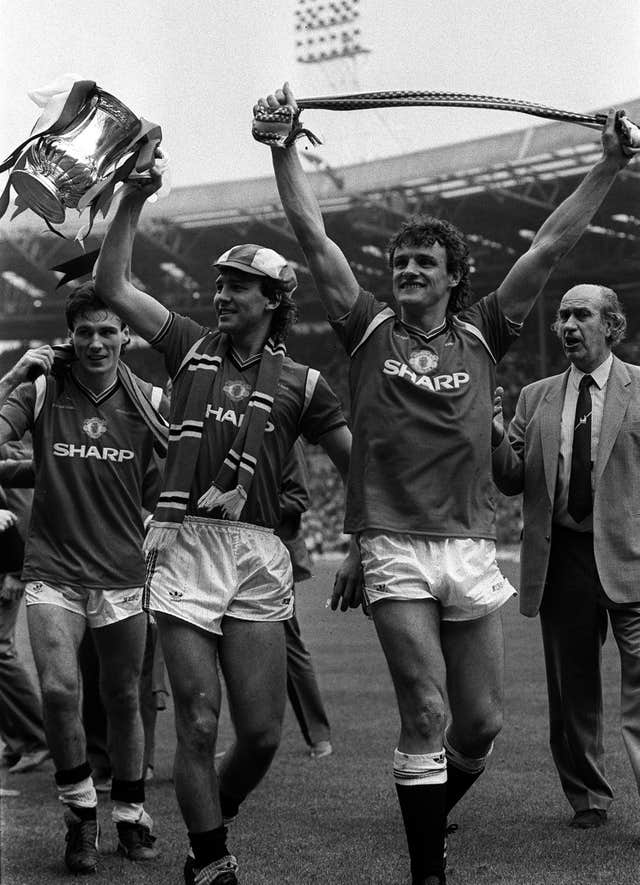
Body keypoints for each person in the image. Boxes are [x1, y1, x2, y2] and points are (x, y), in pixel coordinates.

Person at [254, 82, 634, 884]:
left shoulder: (486, 331)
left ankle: (430, 807)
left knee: (483, 723)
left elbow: (549, 247)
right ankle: (429, 869)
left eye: (424, 262)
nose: (407, 271)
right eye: (399, 262)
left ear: (455, 274)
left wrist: (609, 166)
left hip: (468, 546)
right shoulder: (366, 327)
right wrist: (282, 146)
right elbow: (312, 236)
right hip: (394, 546)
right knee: (424, 711)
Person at [93, 170, 359, 885]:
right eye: (219, 283)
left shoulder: (304, 383)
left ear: (273, 300)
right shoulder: (185, 344)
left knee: (264, 732)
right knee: (199, 718)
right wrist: (135, 195)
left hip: (259, 552)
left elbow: (356, 466)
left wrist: (366, 535)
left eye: (238, 285)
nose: (221, 294)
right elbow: (113, 284)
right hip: (182, 542)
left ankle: (216, 806)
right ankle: (210, 857)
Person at [0, 284, 169, 875]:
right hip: (53, 570)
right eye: (83, 332)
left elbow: (170, 478)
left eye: (107, 330)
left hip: (121, 571)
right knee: (59, 691)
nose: (96, 342)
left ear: (126, 334)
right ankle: (79, 814)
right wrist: (16, 371)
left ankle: (130, 812)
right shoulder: (44, 389)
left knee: (123, 696)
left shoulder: (150, 399)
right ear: (70, 337)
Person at [492, 284, 640, 830]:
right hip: (563, 559)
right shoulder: (534, 397)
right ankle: (588, 799)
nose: (568, 326)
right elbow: (509, 479)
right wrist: (490, 429)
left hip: (632, 559)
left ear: (611, 326)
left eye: (581, 315)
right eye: (561, 317)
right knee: (572, 688)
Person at [277, 441, 333, 759]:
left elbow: (297, 499)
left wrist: (247, 508)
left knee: (287, 643)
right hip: (226, 547)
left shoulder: (283, 423)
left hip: (272, 552)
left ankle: (318, 735)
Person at [0, 443, 49, 775]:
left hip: (7, 566)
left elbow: (24, 508)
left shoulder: (8, 439)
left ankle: (35, 738)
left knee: (0, 651)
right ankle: (19, 739)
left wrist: (18, 569)